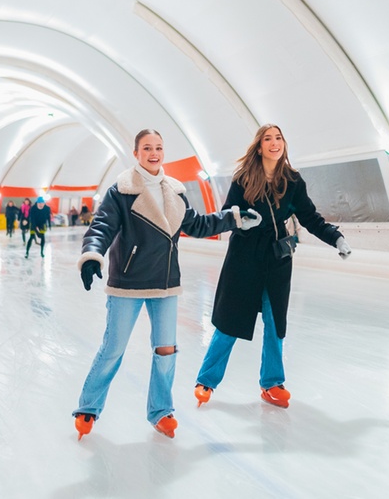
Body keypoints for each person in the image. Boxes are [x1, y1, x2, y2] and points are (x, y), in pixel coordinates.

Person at [72, 128, 260, 440]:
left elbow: (197, 224)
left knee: (166, 350)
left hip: (165, 283)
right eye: (147, 148)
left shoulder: (175, 189)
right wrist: (92, 254)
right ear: (136, 153)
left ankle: (161, 411)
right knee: (113, 348)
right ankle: (88, 407)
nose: (154, 153)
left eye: (158, 147)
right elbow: (102, 225)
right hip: (128, 283)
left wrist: (233, 217)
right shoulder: (121, 190)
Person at [193, 124, 352, 410]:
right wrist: (242, 221)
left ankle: (272, 383)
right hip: (244, 258)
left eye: (278, 138)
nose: (274, 143)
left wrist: (335, 237)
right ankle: (206, 380)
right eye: (268, 139)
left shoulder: (292, 181)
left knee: (275, 323)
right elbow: (228, 214)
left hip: (278, 260)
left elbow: (310, 218)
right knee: (230, 321)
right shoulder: (243, 178)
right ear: (259, 146)